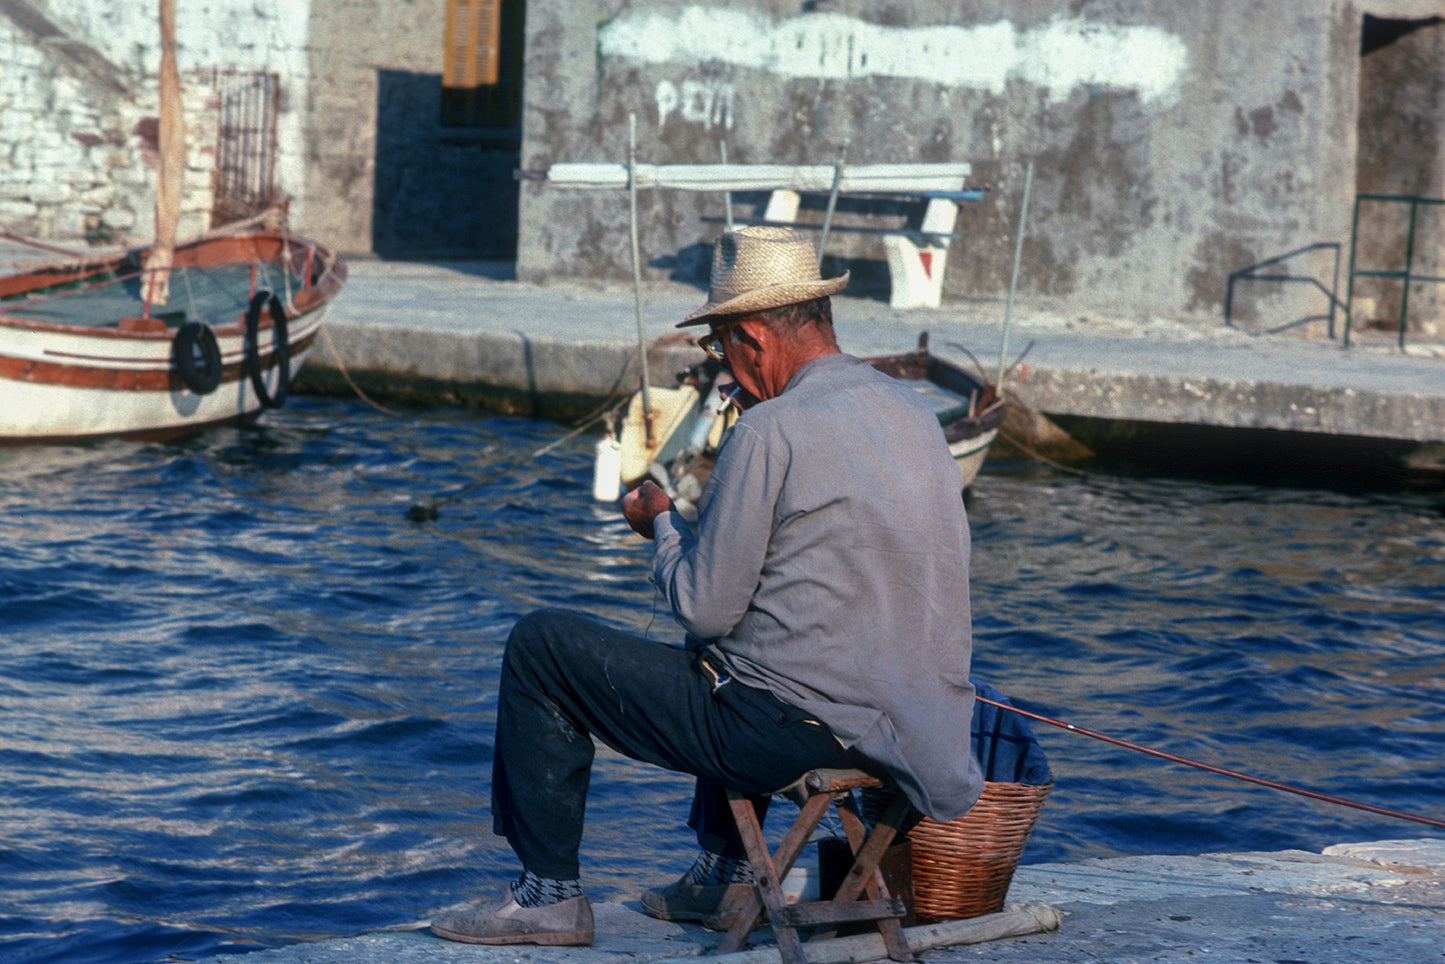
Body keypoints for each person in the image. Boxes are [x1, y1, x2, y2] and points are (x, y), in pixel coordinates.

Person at [430, 225, 982, 946]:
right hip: (917, 734)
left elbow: (702, 602)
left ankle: (549, 896)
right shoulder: (914, 411)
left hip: (796, 733)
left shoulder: (769, 431)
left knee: (543, 646)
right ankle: (719, 877)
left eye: (720, 347)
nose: (723, 367)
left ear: (752, 336)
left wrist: (660, 525)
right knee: (737, 652)